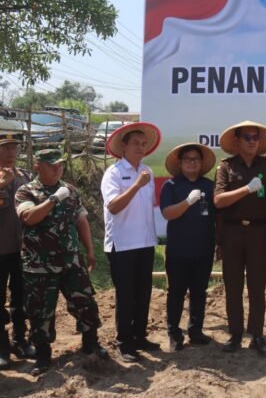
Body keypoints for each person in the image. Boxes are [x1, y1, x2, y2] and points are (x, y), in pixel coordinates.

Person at [15, 149, 107, 375]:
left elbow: (81, 220)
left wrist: (89, 250)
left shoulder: (70, 190)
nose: (58, 170)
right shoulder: (26, 192)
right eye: (52, 166)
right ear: (38, 166)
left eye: (61, 166)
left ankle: (90, 343)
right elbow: (29, 217)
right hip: (40, 265)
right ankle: (43, 356)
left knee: (85, 302)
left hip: (71, 261)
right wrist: (53, 199)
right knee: (40, 311)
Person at [214, 121, 266, 355]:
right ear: (237, 141)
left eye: (255, 137)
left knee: (257, 285)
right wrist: (246, 189)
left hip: (259, 232)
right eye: (247, 137)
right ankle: (234, 335)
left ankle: (257, 335)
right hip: (232, 232)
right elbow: (219, 201)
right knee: (233, 286)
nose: (252, 141)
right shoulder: (226, 167)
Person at [101, 122, 162, 362]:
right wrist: (136, 185)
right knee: (126, 295)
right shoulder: (114, 173)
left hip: (145, 242)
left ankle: (139, 336)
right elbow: (114, 206)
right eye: (135, 143)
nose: (140, 147)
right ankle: (123, 341)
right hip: (122, 244)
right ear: (123, 146)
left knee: (143, 293)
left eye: (143, 143)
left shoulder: (147, 170)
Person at [160, 143, 217, 351]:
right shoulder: (171, 186)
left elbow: (216, 216)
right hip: (178, 250)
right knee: (176, 291)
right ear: (180, 163)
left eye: (196, 159)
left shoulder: (210, 186)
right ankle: (174, 333)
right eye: (188, 159)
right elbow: (167, 213)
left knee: (199, 291)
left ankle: (195, 331)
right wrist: (187, 201)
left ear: (201, 163)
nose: (192, 162)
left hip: (204, 248)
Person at [0, 131, 35, 369]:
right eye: (6, 148)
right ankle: (2, 349)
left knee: (21, 299)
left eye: (14, 148)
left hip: (22, 249)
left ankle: (20, 341)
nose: (11, 153)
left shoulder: (25, 177)